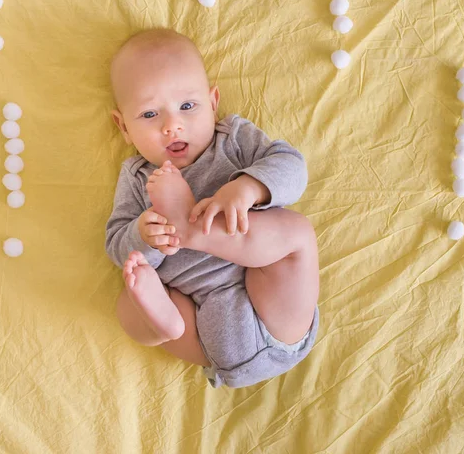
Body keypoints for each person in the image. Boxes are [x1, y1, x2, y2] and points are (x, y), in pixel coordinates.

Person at [105, 28, 320, 388]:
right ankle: (165, 321)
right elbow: (116, 244)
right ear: (123, 126)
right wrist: (144, 236)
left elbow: (293, 168)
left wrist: (249, 187)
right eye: (148, 114)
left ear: (213, 101)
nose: (171, 125)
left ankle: (192, 233)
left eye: (187, 106)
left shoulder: (232, 139)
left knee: (295, 231)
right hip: (202, 330)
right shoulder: (137, 177)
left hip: (274, 310)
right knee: (130, 293)